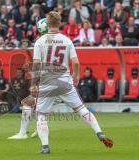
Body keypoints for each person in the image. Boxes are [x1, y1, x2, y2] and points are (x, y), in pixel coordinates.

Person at [31, 11, 113, 154]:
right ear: (60, 23)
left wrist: (33, 83)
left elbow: (36, 64)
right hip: (65, 81)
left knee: (41, 115)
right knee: (81, 109)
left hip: (47, 82)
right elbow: (75, 61)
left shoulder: (40, 41)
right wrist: (76, 76)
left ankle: (45, 146)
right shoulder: (67, 40)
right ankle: (99, 132)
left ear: (47, 24)